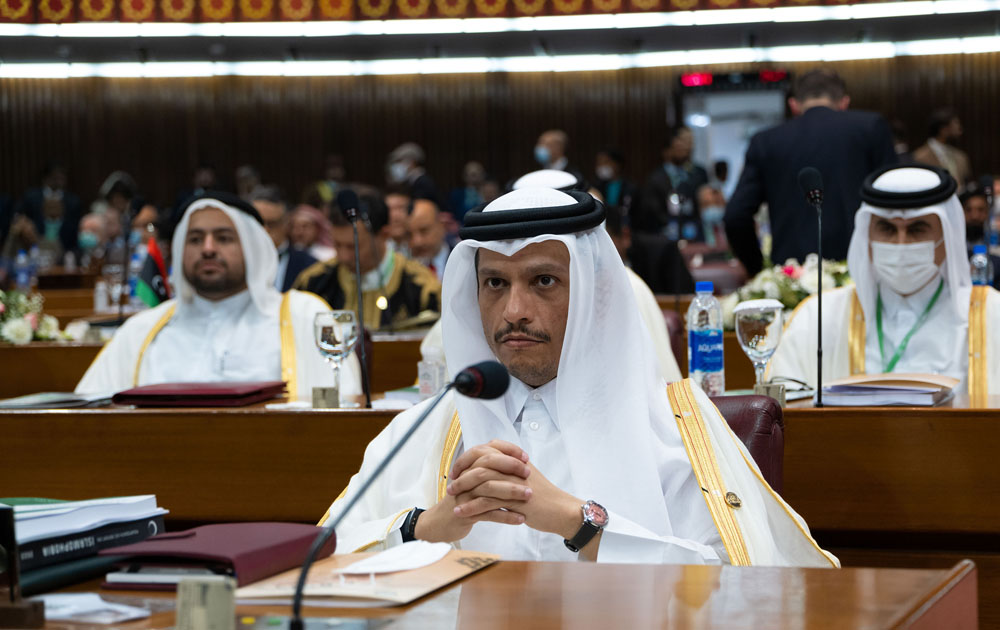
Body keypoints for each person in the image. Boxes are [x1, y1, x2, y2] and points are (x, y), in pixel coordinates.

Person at [322, 187, 836, 567]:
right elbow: (318, 565)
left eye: (543, 281)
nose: (514, 311)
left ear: (595, 295)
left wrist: (580, 524)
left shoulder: (678, 425)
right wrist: (427, 527)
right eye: (494, 284)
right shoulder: (426, 430)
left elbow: (744, 587)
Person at [75, 191, 361, 401]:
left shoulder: (304, 316)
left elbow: (341, 406)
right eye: (196, 239)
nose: (208, 249)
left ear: (253, 248)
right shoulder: (143, 330)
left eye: (224, 238)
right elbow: (87, 411)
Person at [769, 165, 1000, 397]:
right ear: (867, 235)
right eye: (886, 228)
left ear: (946, 236)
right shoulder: (817, 319)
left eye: (917, 229)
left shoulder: (992, 314)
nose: (901, 243)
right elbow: (782, 410)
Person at [724, 69, 898, 277]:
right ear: (844, 102)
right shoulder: (870, 128)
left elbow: (735, 217)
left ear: (794, 105)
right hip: (862, 272)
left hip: (793, 275)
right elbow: (893, 202)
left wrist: (758, 268)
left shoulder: (766, 142)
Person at [293, 192, 441, 331]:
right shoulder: (313, 283)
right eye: (337, 245)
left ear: (384, 234)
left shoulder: (422, 288)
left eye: (353, 247)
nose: (344, 256)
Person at [250, 186, 317, 292]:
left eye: (272, 224)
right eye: (258, 223)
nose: (264, 230)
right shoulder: (237, 263)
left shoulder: (310, 266)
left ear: (287, 222)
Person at [16, 162, 83, 259]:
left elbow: (76, 231)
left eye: (61, 177)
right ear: (46, 178)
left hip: (65, 252)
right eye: (54, 176)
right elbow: (19, 218)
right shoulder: (31, 197)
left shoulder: (73, 201)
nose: (58, 180)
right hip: (34, 249)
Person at [913, 108, 972, 185]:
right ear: (943, 129)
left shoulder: (961, 156)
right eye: (956, 124)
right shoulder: (919, 157)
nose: (960, 129)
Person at [961, 182, 1000, 290]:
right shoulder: (951, 245)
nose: (974, 216)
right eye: (969, 210)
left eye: (980, 210)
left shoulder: (996, 240)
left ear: (987, 213)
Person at [408, 198, 457, 283]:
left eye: (424, 231)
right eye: (409, 234)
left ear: (442, 227)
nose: (417, 242)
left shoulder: (462, 262)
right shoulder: (404, 271)